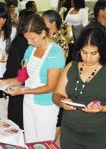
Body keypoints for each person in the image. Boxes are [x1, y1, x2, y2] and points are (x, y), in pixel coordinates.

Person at [0, 14, 65, 142]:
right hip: (28, 101)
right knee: (30, 140)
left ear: (43, 33)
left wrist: (22, 91)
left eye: (32, 38)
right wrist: (5, 82)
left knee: (43, 144)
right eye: (26, 38)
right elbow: (23, 77)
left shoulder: (55, 53)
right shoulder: (30, 49)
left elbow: (51, 87)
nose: (29, 42)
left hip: (45, 105)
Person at [3, 10, 34, 130]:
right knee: (20, 122)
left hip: (19, 83)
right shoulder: (27, 42)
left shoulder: (20, 40)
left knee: (17, 121)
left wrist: (8, 80)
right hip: (20, 83)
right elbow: (23, 72)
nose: (30, 42)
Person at [43, 9, 69, 141]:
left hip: (56, 83)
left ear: (52, 23)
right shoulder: (44, 39)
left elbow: (59, 66)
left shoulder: (60, 41)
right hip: (45, 81)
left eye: (44, 21)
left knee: (56, 116)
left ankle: (51, 143)